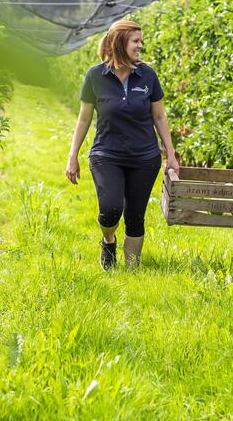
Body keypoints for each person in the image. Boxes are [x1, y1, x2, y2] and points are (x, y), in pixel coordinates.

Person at [66, 19, 179, 270]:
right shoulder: (95, 75)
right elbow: (84, 118)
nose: (140, 46)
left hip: (144, 156)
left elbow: (159, 116)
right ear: (119, 43)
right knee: (110, 208)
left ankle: (131, 271)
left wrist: (170, 153)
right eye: (135, 41)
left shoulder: (147, 75)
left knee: (135, 216)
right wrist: (72, 155)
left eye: (141, 40)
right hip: (107, 153)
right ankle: (109, 240)